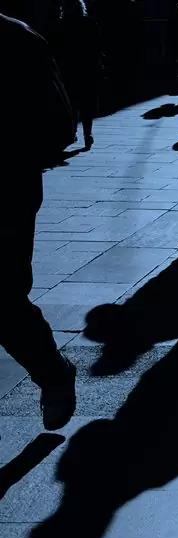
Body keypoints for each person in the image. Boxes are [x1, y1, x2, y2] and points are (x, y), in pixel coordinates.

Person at [0, 11, 78, 431]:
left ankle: (52, 371)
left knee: (4, 298)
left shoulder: (18, 40)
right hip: (13, 185)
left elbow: (58, 125)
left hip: (6, 190)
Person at [49, 0, 102, 150]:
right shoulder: (89, 24)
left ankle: (72, 132)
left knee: (70, 104)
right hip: (86, 69)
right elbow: (96, 46)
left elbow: (54, 48)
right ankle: (87, 133)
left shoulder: (60, 25)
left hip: (68, 69)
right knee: (86, 105)